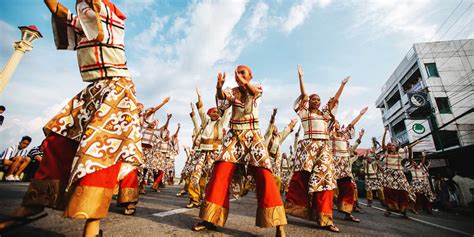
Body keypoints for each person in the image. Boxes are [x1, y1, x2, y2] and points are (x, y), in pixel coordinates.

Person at [1, 1, 143, 235]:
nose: (83, 10)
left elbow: (94, 7)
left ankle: (92, 225)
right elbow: (59, 10)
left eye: (88, 7)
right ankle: (32, 204)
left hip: (117, 90)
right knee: (58, 140)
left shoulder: (113, 24)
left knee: (98, 152)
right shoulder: (84, 27)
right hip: (94, 90)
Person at [192, 66, 287, 236]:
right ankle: (210, 219)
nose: (239, 75)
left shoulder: (257, 88)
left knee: (264, 175)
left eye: (243, 72)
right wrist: (219, 88)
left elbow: (252, 94)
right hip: (234, 137)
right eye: (237, 72)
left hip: (253, 136)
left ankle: (278, 224)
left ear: (251, 75)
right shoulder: (231, 91)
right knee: (220, 172)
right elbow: (222, 102)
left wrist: (244, 83)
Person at [285, 65, 349, 233]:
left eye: (318, 100)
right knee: (301, 178)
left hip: (324, 149)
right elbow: (304, 96)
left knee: (325, 181)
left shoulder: (325, 116)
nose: (316, 101)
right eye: (314, 99)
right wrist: (301, 78)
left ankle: (325, 218)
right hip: (307, 147)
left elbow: (334, 101)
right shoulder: (304, 113)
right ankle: (293, 208)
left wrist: (342, 85)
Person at [188, 88, 231, 208]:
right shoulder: (205, 122)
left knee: (210, 179)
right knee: (195, 175)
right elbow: (201, 111)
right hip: (203, 153)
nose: (216, 113)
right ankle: (194, 199)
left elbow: (227, 114)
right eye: (214, 112)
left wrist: (228, 101)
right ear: (209, 114)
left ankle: (207, 201)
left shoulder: (221, 123)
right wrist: (200, 97)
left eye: (218, 112)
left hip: (214, 154)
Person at [332, 111, 367, 222]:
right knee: (328, 189)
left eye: (337, 122)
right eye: (334, 122)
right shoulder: (327, 134)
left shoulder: (344, 135)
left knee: (349, 188)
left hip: (345, 167)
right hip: (331, 165)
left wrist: (360, 115)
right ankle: (321, 213)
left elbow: (352, 124)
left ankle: (348, 212)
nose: (336, 123)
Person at [381, 128, 417, 218]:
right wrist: (385, 133)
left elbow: (409, 148)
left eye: (393, 145)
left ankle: (404, 211)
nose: (392, 146)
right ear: (388, 147)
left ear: (395, 147)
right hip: (388, 175)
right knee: (389, 192)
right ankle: (389, 209)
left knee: (404, 192)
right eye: (390, 145)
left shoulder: (400, 154)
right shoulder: (386, 154)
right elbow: (382, 144)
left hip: (399, 175)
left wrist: (416, 143)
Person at [264, 108, 296, 193]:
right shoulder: (268, 136)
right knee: (265, 179)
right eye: (274, 128)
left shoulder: (278, 138)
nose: (276, 129)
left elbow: (285, 132)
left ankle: (275, 196)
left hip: (275, 162)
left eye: (277, 128)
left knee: (277, 179)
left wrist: (292, 123)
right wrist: (273, 117)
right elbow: (270, 127)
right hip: (266, 160)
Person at [364, 138, 385, 207]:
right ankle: (369, 202)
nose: (370, 159)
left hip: (375, 177)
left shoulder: (375, 162)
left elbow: (377, 159)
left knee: (380, 189)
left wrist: (375, 153)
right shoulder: (365, 162)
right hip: (369, 177)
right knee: (369, 190)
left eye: (370, 158)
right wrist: (368, 154)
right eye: (368, 158)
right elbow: (367, 157)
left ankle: (382, 201)